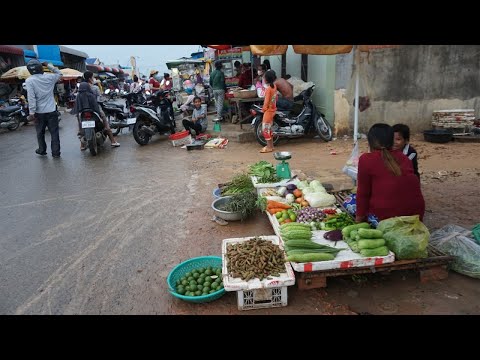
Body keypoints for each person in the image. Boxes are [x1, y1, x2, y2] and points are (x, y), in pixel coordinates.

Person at [355, 123, 425, 223]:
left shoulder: (366, 159)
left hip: (386, 218)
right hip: (416, 216)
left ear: (370, 142)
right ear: (391, 140)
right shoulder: (404, 158)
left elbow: (363, 193)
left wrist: (358, 220)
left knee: (351, 201)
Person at [25, 59, 63, 158]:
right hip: (51, 110)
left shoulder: (29, 80)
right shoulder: (50, 77)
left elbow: (31, 97)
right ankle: (56, 153)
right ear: (40, 67)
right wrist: (49, 65)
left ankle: (42, 150)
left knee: (40, 132)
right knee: (54, 133)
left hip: (39, 112)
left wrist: (31, 112)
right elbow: (59, 73)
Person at [76, 75, 120, 150]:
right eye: (92, 77)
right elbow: (100, 98)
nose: (93, 79)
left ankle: (82, 145)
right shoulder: (95, 88)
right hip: (95, 110)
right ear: (90, 79)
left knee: (81, 126)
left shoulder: (80, 89)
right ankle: (113, 141)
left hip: (83, 110)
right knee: (105, 123)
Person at [259, 70, 278, 153]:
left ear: (266, 79)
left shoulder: (268, 89)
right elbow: (274, 99)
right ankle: (271, 146)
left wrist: (263, 109)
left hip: (268, 111)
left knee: (265, 129)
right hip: (273, 109)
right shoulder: (274, 86)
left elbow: (266, 101)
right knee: (269, 129)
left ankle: (269, 147)